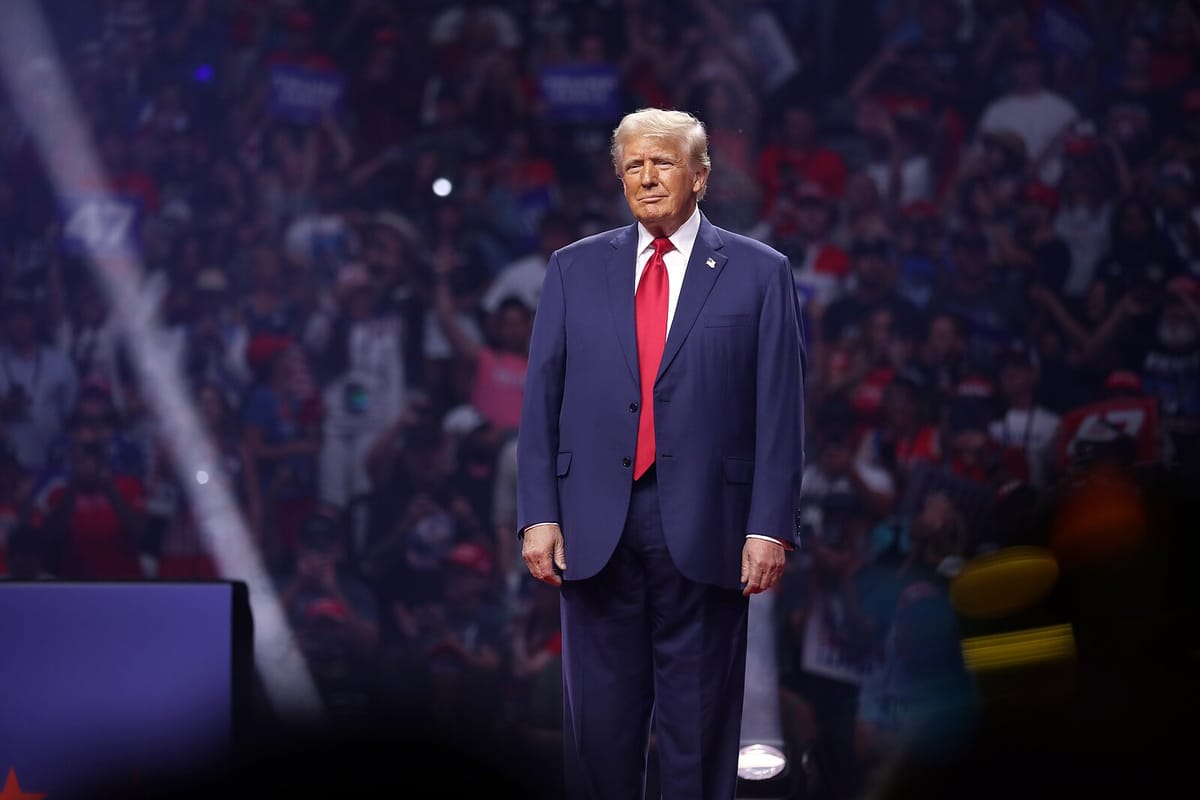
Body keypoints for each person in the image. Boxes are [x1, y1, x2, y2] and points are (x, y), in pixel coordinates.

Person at [516, 108, 807, 800]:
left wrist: (770, 525)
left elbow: (780, 410)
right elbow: (540, 403)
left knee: (699, 732)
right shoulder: (572, 269)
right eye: (634, 166)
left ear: (700, 176)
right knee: (598, 733)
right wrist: (538, 514)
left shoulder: (761, 273)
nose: (648, 178)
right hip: (591, 525)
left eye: (664, 162)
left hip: (711, 523)